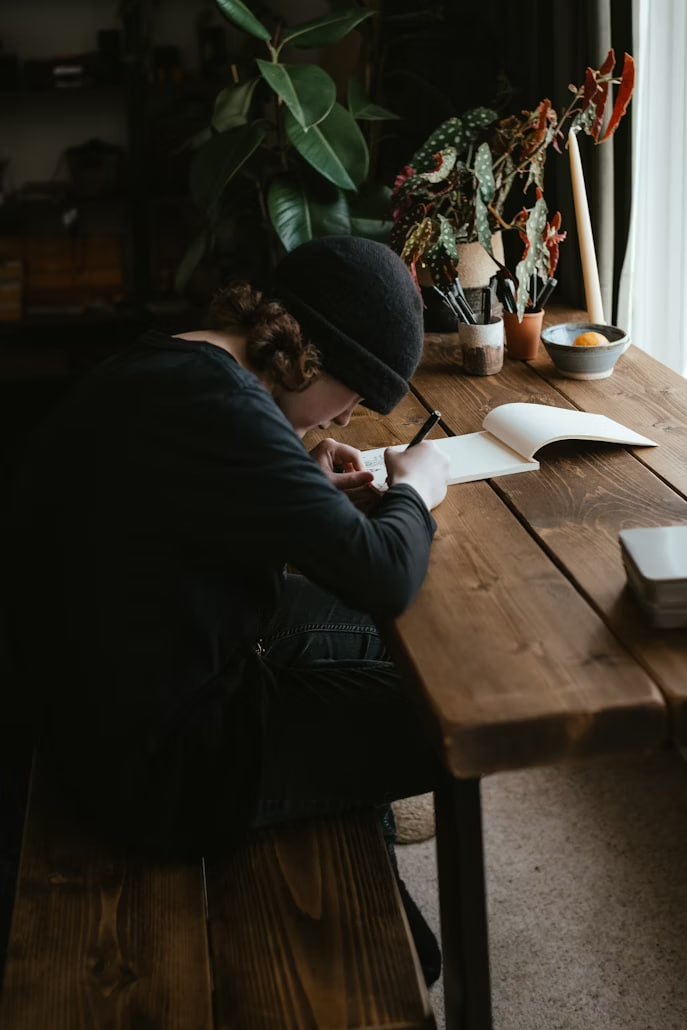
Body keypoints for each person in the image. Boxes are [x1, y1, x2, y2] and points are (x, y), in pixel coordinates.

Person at [7, 235, 450, 983]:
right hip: (163, 764)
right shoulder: (224, 409)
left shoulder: (180, 363)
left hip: (134, 679)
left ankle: (356, 834)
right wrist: (417, 486)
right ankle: (364, 898)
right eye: (353, 396)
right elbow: (383, 575)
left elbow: (191, 502)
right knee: (445, 717)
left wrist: (296, 473)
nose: (344, 421)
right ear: (304, 355)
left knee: (418, 652)